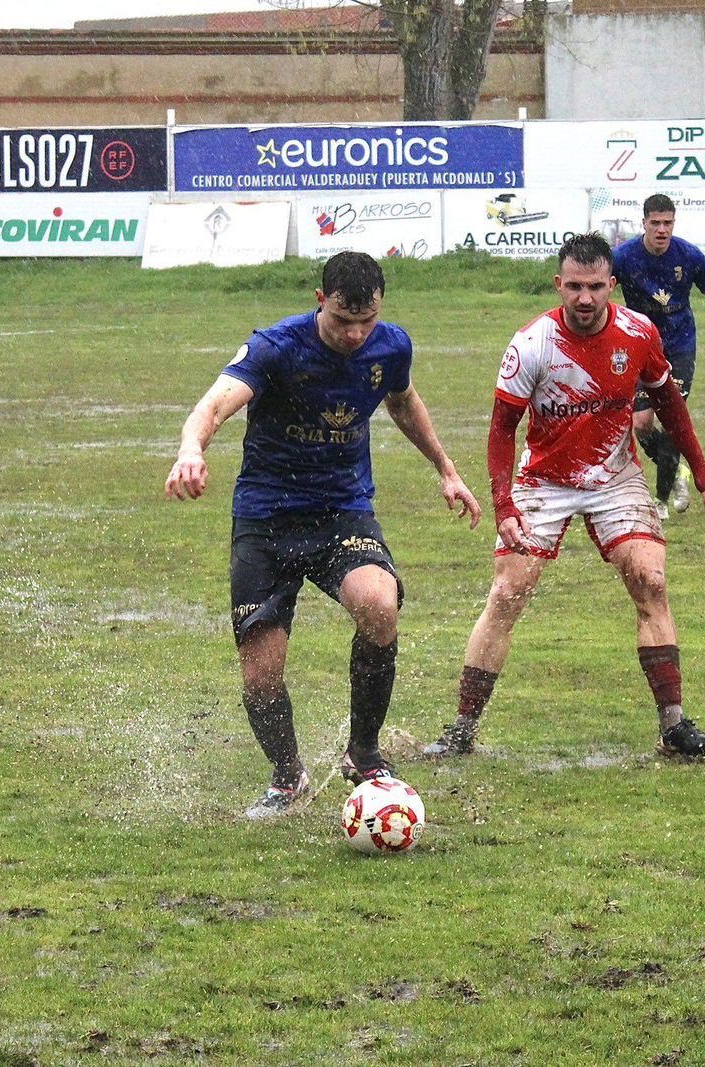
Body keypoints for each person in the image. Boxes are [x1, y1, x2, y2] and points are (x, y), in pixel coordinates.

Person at [165, 251, 482, 820]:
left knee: (380, 605)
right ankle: (288, 779)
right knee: (261, 671)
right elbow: (214, 404)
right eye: (342, 320)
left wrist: (447, 469)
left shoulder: (391, 346)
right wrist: (192, 450)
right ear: (320, 302)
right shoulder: (276, 348)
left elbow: (403, 401)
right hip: (267, 518)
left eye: (367, 321)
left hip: (342, 512)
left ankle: (363, 754)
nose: (356, 334)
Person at [423, 233, 705, 760]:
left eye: (594, 287)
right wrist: (504, 505)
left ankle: (674, 726)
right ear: (558, 285)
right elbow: (502, 430)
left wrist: (699, 469)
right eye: (574, 287)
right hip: (544, 480)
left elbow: (669, 402)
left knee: (651, 581)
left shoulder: (638, 332)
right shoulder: (532, 344)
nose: (584, 299)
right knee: (507, 594)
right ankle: (462, 729)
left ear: (612, 284)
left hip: (615, 478)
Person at [612, 193, 705, 519]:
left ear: (673, 223)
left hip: (679, 348)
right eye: (656, 223)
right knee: (640, 423)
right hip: (641, 348)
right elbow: (599, 293)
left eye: (668, 223)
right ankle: (676, 468)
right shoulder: (622, 258)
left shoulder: (689, 256)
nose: (662, 230)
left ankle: (662, 499)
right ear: (644, 223)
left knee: (670, 418)